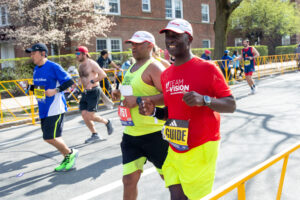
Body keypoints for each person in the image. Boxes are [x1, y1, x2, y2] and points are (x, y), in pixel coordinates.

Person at [139, 19, 236, 200]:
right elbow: (172, 112)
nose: (170, 40)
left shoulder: (207, 68)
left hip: (201, 145)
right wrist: (153, 111)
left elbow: (231, 104)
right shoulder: (167, 74)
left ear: (189, 39)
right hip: (175, 146)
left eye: (175, 35)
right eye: (168, 36)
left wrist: (204, 100)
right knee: (176, 195)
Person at [111, 31, 169, 200]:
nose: (133, 47)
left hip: (155, 135)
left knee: (170, 179)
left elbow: (168, 96)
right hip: (131, 134)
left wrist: (137, 100)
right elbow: (131, 91)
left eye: (137, 43)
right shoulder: (131, 67)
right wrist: (118, 93)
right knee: (128, 180)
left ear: (149, 45)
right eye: (132, 43)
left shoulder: (154, 67)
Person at [25, 43, 79, 172]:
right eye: (31, 53)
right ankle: (67, 157)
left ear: (43, 53)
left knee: (49, 137)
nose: (31, 55)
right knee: (54, 136)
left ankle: (71, 153)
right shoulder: (36, 69)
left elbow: (70, 82)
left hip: (54, 108)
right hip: (43, 108)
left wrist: (56, 90)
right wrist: (29, 88)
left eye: (34, 53)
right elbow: (42, 89)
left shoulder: (53, 66)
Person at [76, 46, 114, 144]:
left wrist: (92, 81)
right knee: (84, 115)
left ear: (84, 54)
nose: (76, 56)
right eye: (75, 54)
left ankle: (107, 122)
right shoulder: (80, 66)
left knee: (90, 115)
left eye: (78, 54)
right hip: (85, 92)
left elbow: (103, 74)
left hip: (94, 91)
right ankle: (95, 134)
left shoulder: (92, 63)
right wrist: (77, 86)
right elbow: (82, 78)